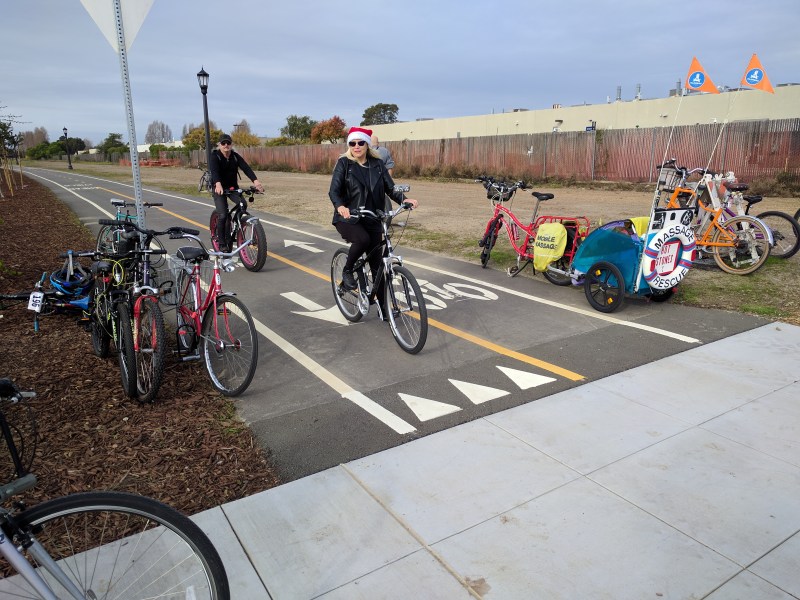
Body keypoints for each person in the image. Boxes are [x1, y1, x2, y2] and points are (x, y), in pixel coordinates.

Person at [329, 126, 418, 300]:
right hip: (349, 218)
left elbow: (390, 188)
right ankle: (347, 270)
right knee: (363, 240)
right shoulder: (344, 163)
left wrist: (404, 200)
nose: (356, 146)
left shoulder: (377, 164)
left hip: (373, 217)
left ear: (367, 144)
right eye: (352, 143)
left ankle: (384, 310)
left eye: (360, 143)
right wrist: (340, 206)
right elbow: (334, 191)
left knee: (378, 267)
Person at [210, 133, 264, 251]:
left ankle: (235, 224)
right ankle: (222, 242)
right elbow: (214, 171)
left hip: (232, 188)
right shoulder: (215, 156)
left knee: (243, 204)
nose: (226, 145)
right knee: (223, 214)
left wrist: (256, 182)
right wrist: (218, 184)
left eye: (228, 143)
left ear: (231, 144)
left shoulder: (235, 156)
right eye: (223, 143)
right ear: (219, 145)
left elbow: (246, 168)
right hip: (219, 188)